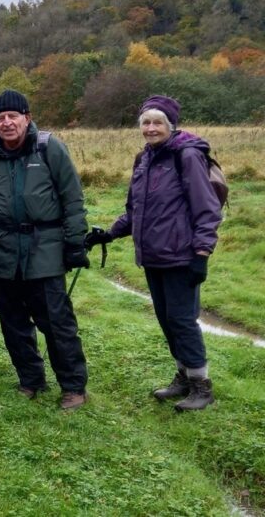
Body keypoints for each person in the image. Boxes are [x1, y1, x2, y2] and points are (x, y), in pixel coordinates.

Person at [85, 95, 222, 411]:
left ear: (171, 125)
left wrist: (201, 254)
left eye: (157, 122)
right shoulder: (145, 159)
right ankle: (184, 376)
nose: (150, 128)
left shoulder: (186, 157)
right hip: (153, 257)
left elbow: (207, 209)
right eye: (145, 122)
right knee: (166, 319)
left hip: (182, 256)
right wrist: (108, 234)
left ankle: (202, 387)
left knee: (182, 320)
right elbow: (135, 211)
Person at [0, 90, 90, 410]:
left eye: (13, 116)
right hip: (3, 251)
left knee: (57, 322)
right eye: (0, 118)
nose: (7, 122)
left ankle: (73, 385)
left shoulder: (49, 148)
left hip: (45, 248)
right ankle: (31, 378)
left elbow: (72, 199)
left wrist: (75, 242)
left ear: (27, 118)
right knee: (13, 322)